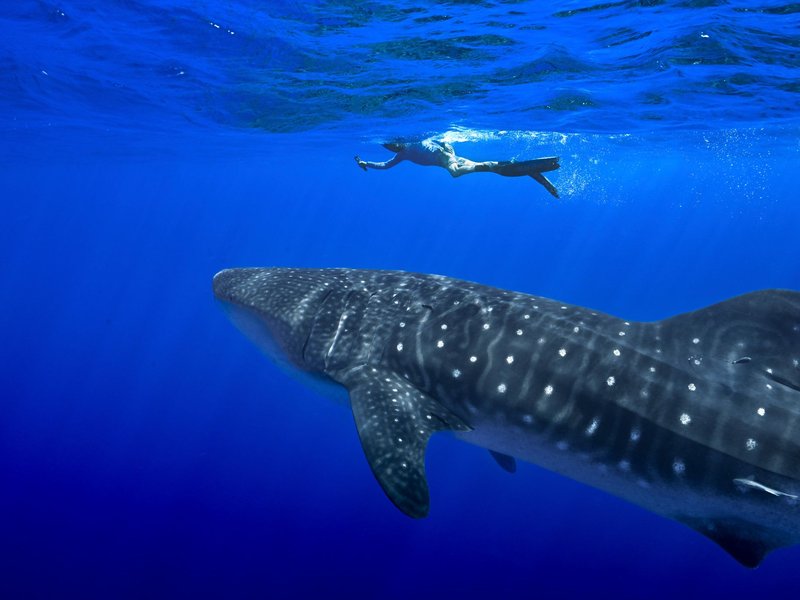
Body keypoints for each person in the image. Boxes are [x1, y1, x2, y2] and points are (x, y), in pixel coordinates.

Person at [354, 138, 561, 198]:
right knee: (502, 170)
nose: (392, 147)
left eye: (392, 144)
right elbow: (386, 165)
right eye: (389, 147)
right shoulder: (402, 154)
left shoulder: (414, 140)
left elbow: (440, 138)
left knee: (454, 174)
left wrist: (445, 145)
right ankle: (537, 176)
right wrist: (366, 164)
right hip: (451, 159)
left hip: (448, 159)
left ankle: (487, 165)